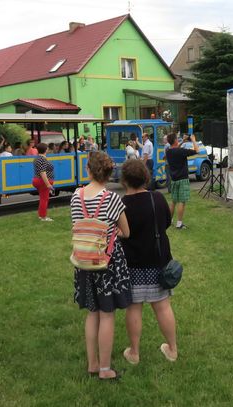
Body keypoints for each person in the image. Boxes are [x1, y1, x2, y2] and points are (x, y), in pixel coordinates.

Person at [71, 151, 131, 380]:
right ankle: (105, 369)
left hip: (83, 260)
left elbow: (78, 225)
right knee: (107, 314)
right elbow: (126, 231)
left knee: (92, 312)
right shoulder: (112, 199)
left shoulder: (76, 197)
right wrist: (113, 231)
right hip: (107, 262)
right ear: (108, 174)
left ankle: (93, 364)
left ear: (88, 170)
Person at [120, 159, 178, 365]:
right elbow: (166, 223)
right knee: (162, 307)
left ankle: (134, 353)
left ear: (124, 180)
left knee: (134, 308)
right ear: (145, 177)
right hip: (158, 262)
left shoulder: (121, 205)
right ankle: (172, 350)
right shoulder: (158, 198)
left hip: (132, 264)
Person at [165, 133, 198, 229]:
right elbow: (196, 150)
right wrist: (193, 140)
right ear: (175, 140)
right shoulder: (181, 151)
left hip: (174, 179)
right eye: (177, 139)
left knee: (174, 201)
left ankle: (169, 221)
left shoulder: (168, 151)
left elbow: (175, 148)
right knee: (182, 201)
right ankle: (179, 224)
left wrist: (183, 141)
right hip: (183, 178)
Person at [32, 143, 55, 221]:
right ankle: (43, 217)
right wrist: (48, 184)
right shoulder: (42, 159)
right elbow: (42, 172)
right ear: (46, 149)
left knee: (43, 198)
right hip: (42, 181)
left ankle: (41, 215)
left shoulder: (38, 158)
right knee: (44, 199)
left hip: (39, 180)